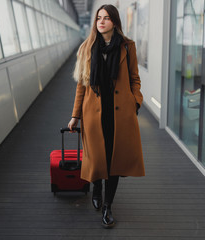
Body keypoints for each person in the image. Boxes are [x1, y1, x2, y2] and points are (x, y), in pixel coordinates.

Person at [68, 4, 145, 228]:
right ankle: (96, 187)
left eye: (106, 18)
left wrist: (136, 101)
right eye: (98, 18)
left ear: (115, 22)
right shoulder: (87, 47)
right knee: (96, 157)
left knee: (114, 161)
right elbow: (81, 85)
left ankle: (107, 207)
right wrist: (75, 116)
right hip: (93, 113)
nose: (101, 21)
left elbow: (134, 79)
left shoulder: (127, 47)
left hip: (120, 113)